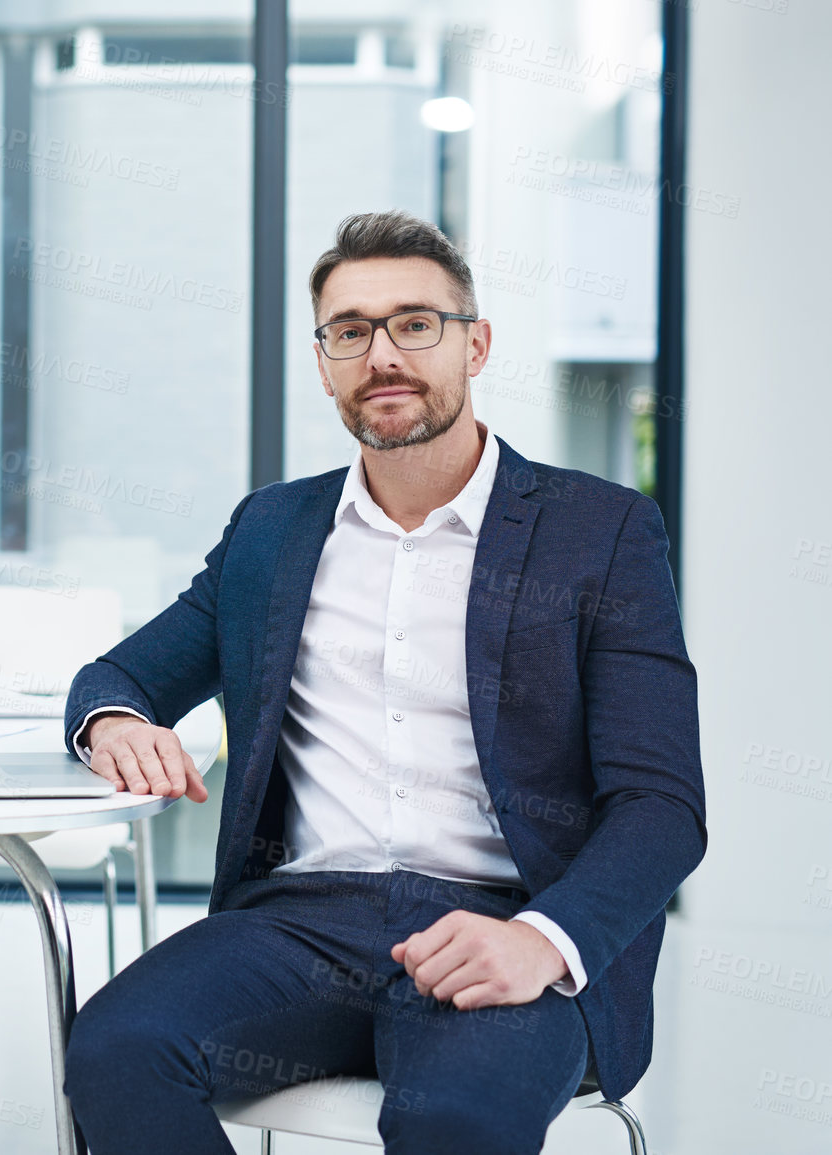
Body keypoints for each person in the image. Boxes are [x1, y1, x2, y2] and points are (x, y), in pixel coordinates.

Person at [60, 211, 707, 1155]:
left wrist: (542, 937)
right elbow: (119, 673)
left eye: (415, 323)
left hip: (500, 920)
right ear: (324, 361)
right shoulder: (271, 532)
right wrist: (114, 720)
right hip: (297, 929)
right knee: (115, 1047)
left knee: (452, 1120)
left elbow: (660, 804)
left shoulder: (597, 531)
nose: (382, 354)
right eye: (350, 331)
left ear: (474, 344)